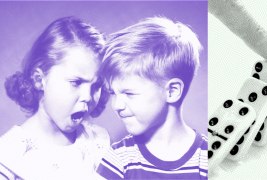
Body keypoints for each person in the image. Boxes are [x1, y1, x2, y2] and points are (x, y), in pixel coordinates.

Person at [0, 16, 122, 179]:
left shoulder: (100, 141)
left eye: (96, 86)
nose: (87, 97)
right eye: (76, 82)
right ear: (39, 80)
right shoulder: (9, 156)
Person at [96, 16, 208, 179]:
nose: (117, 105)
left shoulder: (205, 159)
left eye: (129, 93)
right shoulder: (119, 158)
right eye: (113, 93)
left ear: (172, 91)